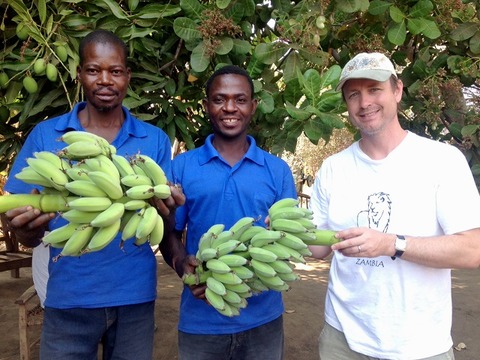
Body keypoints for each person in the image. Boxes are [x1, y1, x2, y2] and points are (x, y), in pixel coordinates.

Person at [4, 29, 184, 360]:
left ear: (127, 76)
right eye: (93, 70)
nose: (105, 80)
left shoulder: (154, 140)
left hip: (134, 299)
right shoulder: (48, 136)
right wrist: (28, 229)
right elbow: (22, 225)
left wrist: (167, 206)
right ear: (79, 75)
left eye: (115, 71)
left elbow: (163, 224)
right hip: (68, 298)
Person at [309, 52, 480, 360]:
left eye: (374, 89)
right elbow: (318, 249)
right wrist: (283, 230)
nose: (364, 103)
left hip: (419, 345)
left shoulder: (442, 161)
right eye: (354, 95)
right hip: (342, 340)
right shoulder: (333, 168)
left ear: (397, 90)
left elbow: (472, 250)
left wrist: (391, 244)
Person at [159, 65, 297, 360]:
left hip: (264, 320)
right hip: (200, 321)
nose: (230, 108)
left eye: (240, 99)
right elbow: (168, 232)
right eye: (220, 99)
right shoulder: (182, 167)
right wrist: (184, 265)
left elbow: (289, 241)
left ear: (253, 106)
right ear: (207, 105)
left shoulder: (277, 170)